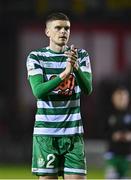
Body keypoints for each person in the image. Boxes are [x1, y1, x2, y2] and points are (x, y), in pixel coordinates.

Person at [26, 12, 92, 180]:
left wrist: (75, 68)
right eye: (58, 28)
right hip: (46, 135)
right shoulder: (36, 57)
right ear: (48, 32)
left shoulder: (80, 56)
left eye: (67, 28)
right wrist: (65, 73)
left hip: (73, 133)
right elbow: (38, 91)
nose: (63, 31)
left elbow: (88, 89)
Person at [104, 86, 131, 179]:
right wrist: (113, 136)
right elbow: (103, 131)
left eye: (123, 97)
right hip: (113, 153)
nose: (121, 100)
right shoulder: (108, 114)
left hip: (128, 154)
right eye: (119, 97)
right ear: (113, 98)